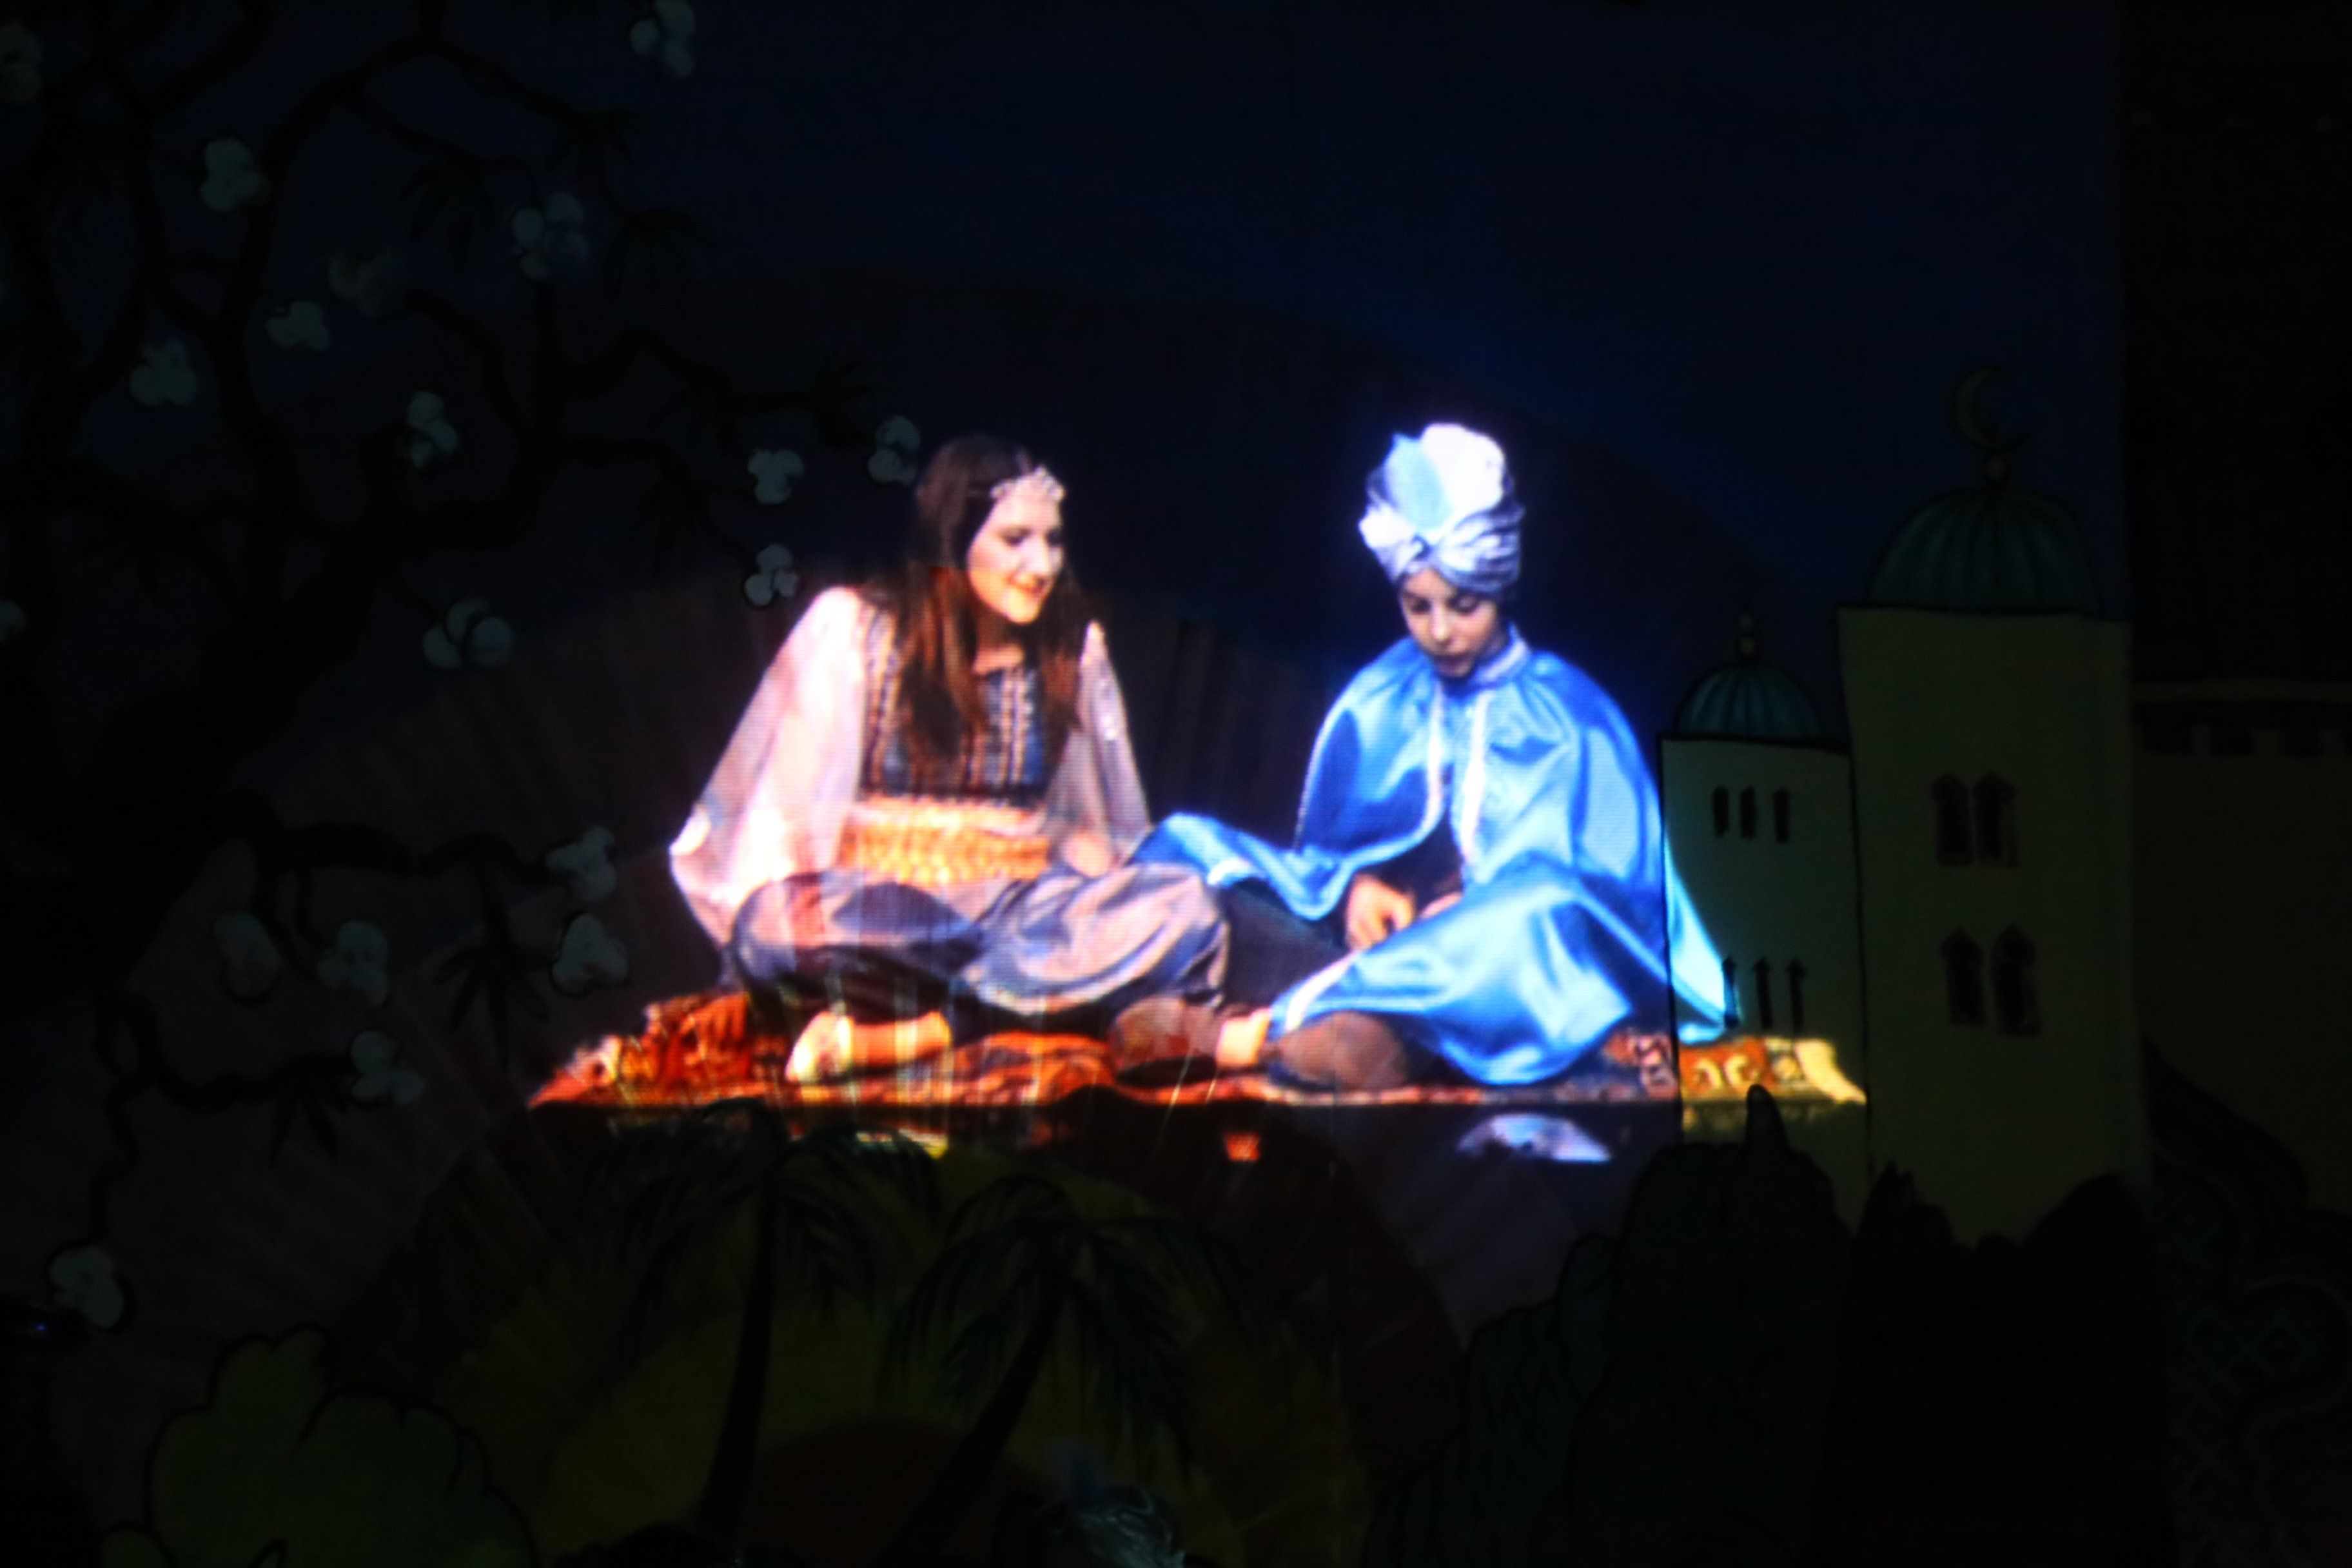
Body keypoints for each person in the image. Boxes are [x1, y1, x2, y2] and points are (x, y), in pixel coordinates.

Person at [1131, 423, 1723, 1090]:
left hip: (1507, 957)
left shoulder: (1573, 715)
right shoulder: (1385, 691)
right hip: (1382, 941)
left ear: (1499, 589)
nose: (1440, 632)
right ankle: (1360, 1025)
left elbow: (1592, 902)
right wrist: (1358, 886)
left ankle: (1256, 1034)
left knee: (1530, 916)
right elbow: (1328, 854)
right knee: (1190, 843)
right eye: (1418, 607)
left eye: (1463, 607)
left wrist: (1468, 912)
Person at [669, 434, 1228, 1079]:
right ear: (953, 538)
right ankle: (1034, 999)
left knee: (1187, 906)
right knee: (771, 926)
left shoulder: (1073, 653)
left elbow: (1095, 833)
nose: (1041, 564)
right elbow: (783, 815)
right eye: (1015, 540)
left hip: (1021, 915)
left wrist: (1098, 921)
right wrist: (745, 968)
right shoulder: (855, 629)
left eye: (1053, 542)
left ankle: (921, 1033)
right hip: (887, 922)